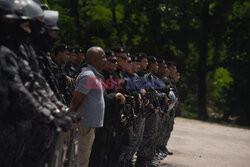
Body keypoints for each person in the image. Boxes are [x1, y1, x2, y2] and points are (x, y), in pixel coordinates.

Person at [70, 46, 107, 167]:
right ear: (95, 60)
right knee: (80, 157)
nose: (106, 59)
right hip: (84, 125)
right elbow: (76, 100)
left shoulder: (95, 75)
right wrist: (70, 119)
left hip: (89, 125)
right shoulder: (88, 76)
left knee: (85, 156)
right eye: (103, 57)